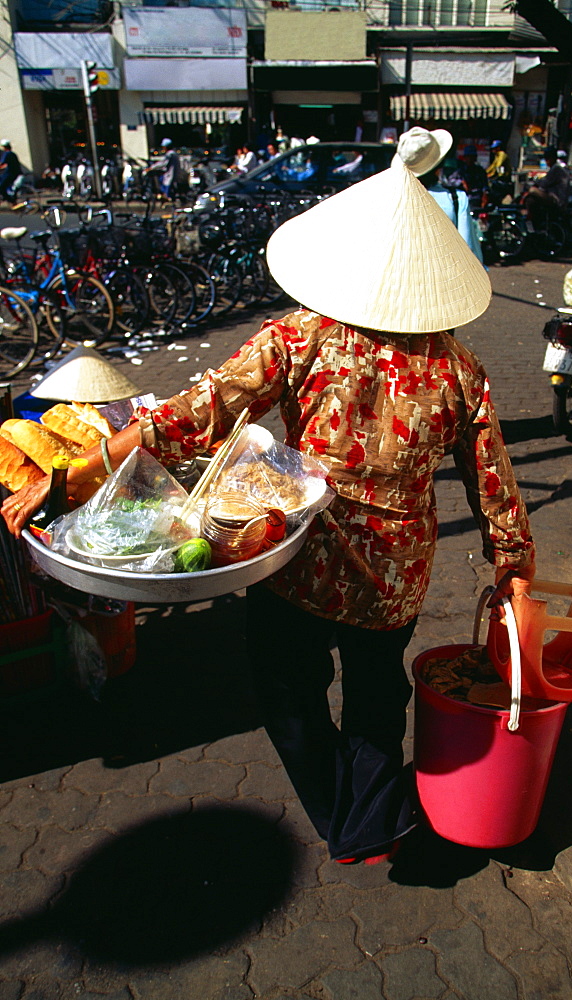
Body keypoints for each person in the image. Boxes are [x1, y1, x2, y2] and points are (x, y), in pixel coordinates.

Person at [3, 136, 535, 864]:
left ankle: (335, 813)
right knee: (378, 702)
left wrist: (67, 479)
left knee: (288, 694)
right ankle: (370, 821)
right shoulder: (459, 367)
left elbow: (187, 417)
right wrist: (512, 561)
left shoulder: (298, 337)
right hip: (395, 574)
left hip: (297, 559)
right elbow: (491, 475)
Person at [401, 127, 484, 264]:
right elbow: (469, 252)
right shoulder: (456, 199)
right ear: (438, 168)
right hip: (445, 281)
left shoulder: (391, 198)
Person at [522, 146, 570, 230]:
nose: (546, 161)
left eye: (547, 159)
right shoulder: (555, 169)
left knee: (532, 190)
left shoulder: (556, 169)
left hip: (556, 200)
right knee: (531, 200)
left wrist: (535, 183)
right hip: (553, 196)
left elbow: (544, 183)